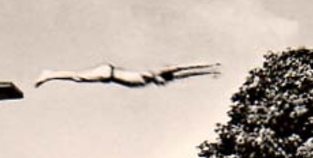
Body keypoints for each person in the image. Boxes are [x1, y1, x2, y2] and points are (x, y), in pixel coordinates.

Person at [34, 62, 221, 88]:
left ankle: (50, 75)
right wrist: (209, 64)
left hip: (108, 74)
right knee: (77, 77)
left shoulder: (156, 77)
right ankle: (50, 74)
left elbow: (186, 75)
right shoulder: (153, 74)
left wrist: (209, 71)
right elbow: (182, 67)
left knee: (78, 77)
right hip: (109, 73)